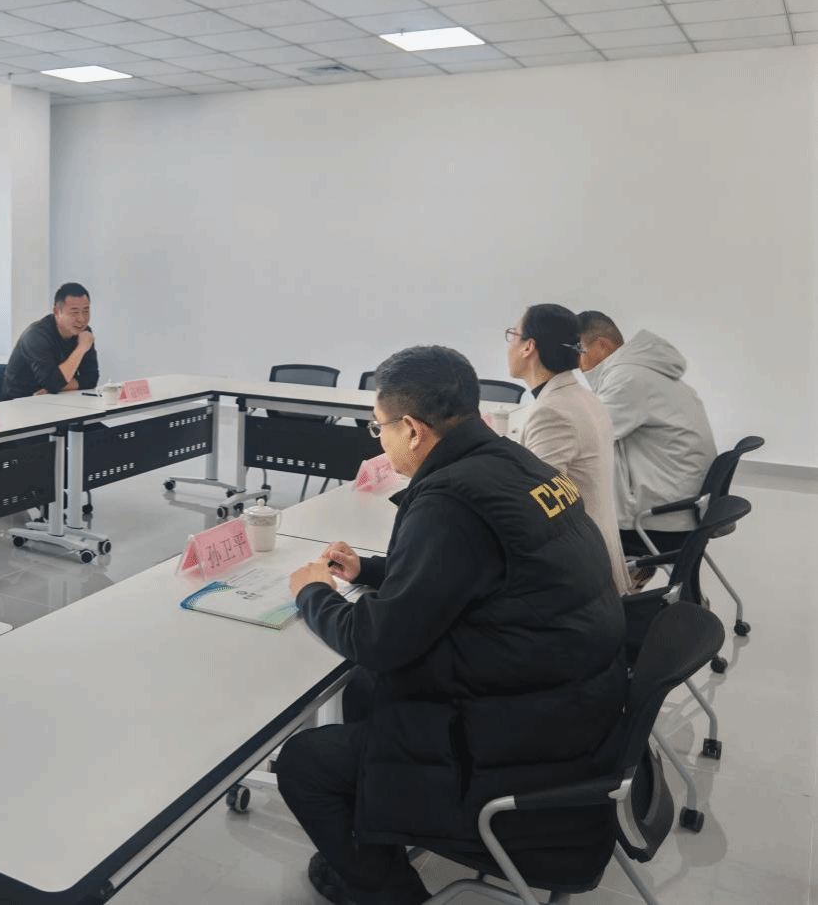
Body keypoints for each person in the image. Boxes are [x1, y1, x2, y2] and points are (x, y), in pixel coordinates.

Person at [279, 345, 626, 905]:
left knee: (304, 763)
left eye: (379, 428)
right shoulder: (513, 463)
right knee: (366, 690)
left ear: (413, 430)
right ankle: (380, 828)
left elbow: (377, 642)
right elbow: (476, 570)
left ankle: (388, 892)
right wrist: (371, 570)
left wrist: (312, 592)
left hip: (521, 747)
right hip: (572, 713)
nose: (380, 440)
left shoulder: (450, 499)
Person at [506, 304, 631, 594]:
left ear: (528, 347)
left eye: (513, 335)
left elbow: (537, 507)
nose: (509, 344)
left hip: (578, 571)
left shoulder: (552, 412)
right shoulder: (581, 396)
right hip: (594, 551)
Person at [576, 311, 716, 560]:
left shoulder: (628, 377)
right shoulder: (645, 370)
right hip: (679, 508)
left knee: (564, 533)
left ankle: (617, 581)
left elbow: (588, 436)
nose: (575, 361)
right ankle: (625, 579)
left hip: (659, 523)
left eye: (578, 349)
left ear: (602, 345)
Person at [3, 282, 99, 400]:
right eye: (74, 312)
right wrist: (81, 349)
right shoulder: (36, 336)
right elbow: (53, 383)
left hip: (54, 400)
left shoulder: (84, 333)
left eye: (85, 311)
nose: (82, 319)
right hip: (19, 403)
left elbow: (91, 379)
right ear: (56, 312)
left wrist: (58, 387)